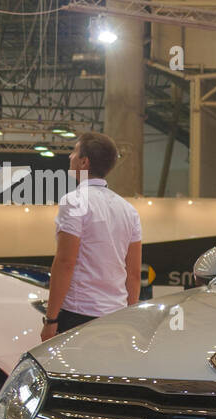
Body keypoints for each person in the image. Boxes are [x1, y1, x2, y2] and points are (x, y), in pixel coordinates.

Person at [40, 132, 143, 341]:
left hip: (79, 314)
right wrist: (131, 317)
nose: (70, 156)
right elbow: (133, 273)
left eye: (74, 152)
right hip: (117, 315)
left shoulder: (74, 202)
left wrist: (51, 320)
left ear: (84, 162)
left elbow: (65, 262)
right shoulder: (129, 210)